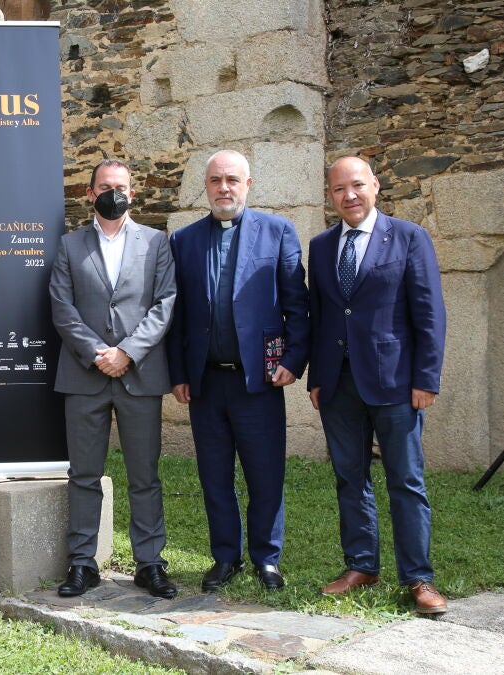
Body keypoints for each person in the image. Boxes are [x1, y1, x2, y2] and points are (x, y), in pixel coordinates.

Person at [307, 156, 448, 615]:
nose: (349, 195)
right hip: (338, 384)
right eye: (338, 189)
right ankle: (361, 566)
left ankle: (419, 578)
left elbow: (429, 313)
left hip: (396, 384)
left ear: (375, 186)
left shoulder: (408, 237)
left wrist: (426, 379)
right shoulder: (321, 246)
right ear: (330, 196)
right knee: (350, 478)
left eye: (357, 186)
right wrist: (317, 377)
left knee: (406, 481)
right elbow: (320, 316)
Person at [165, 150, 309, 592]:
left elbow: (297, 304)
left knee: (265, 474)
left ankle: (267, 558)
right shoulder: (184, 241)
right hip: (206, 382)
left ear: (248, 184)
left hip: (257, 382)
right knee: (214, 476)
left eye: (232, 179)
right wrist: (178, 372)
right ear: (206, 187)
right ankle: (226, 556)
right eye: (215, 180)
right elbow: (177, 315)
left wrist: (292, 361)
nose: (223, 188)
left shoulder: (278, 232)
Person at [49, 159, 178, 599]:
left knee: (145, 474)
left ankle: (150, 563)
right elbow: (62, 308)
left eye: (120, 187)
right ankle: (82, 563)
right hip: (84, 376)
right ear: (90, 194)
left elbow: (164, 303)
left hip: (139, 374)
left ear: (132, 194)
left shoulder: (156, 243)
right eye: (104, 187)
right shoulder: (69, 246)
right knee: (84, 474)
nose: (113, 194)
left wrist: (127, 352)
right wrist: (97, 354)